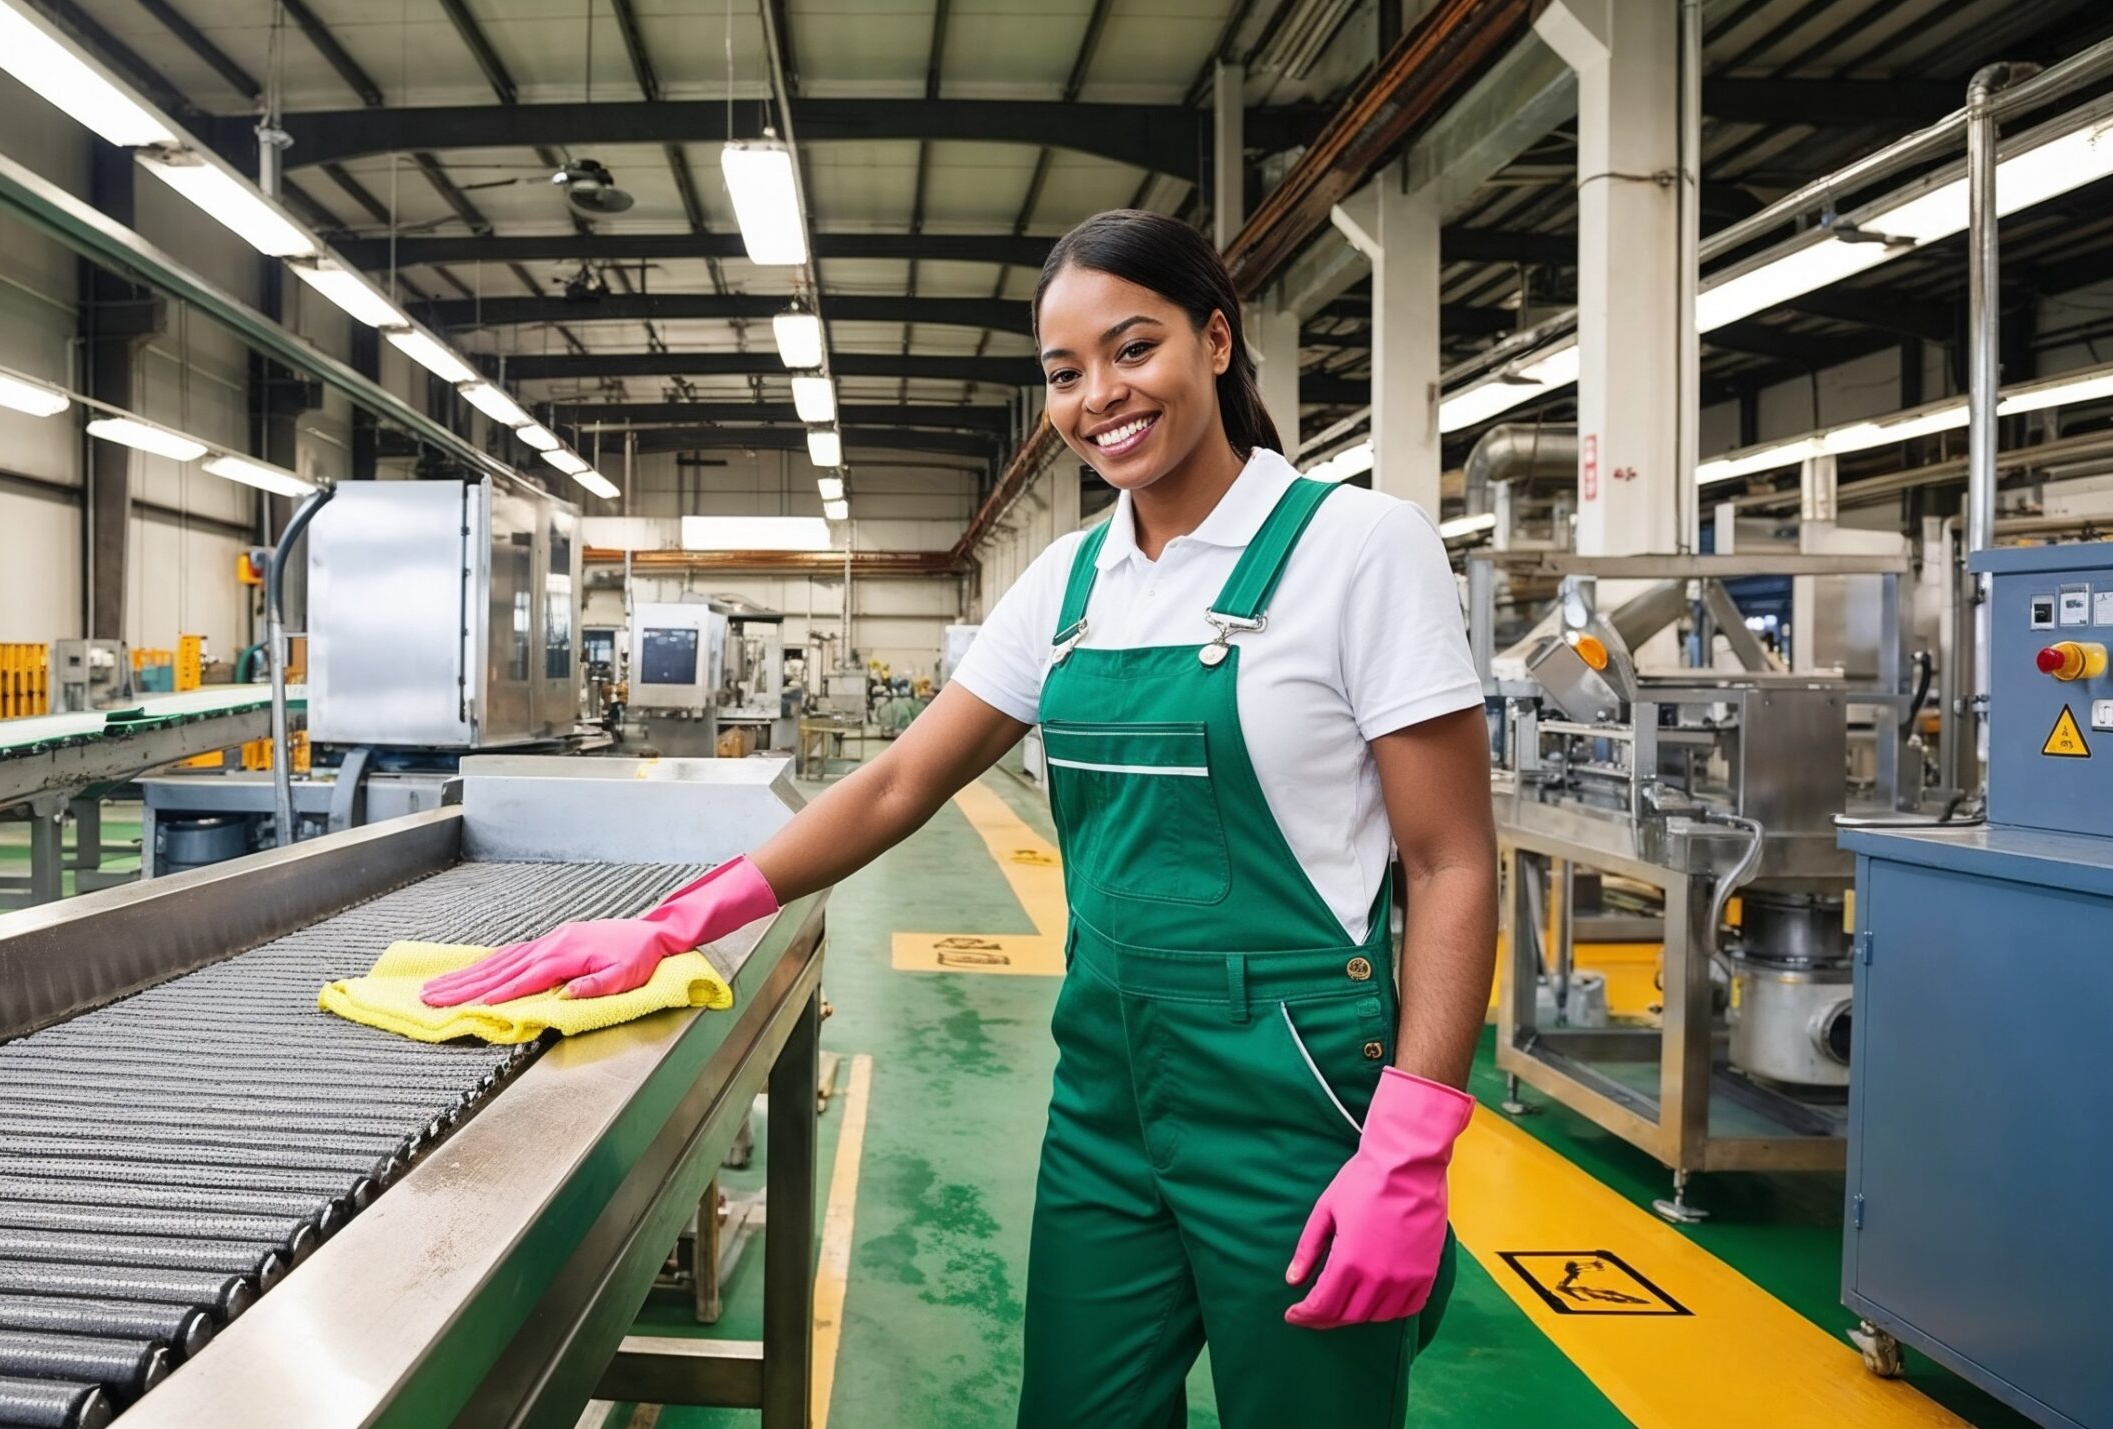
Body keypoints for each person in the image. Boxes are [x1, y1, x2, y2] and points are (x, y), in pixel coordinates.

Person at [425, 208, 1498, 1427]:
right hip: (1106, 1095)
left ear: (1214, 339)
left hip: (1295, 1098)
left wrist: (1409, 1150)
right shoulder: (1072, 580)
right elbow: (894, 783)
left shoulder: (1357, 548)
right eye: (1064, 373)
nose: (1100, 396)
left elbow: (1450, 858)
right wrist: (676, 926)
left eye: (1132, 348)